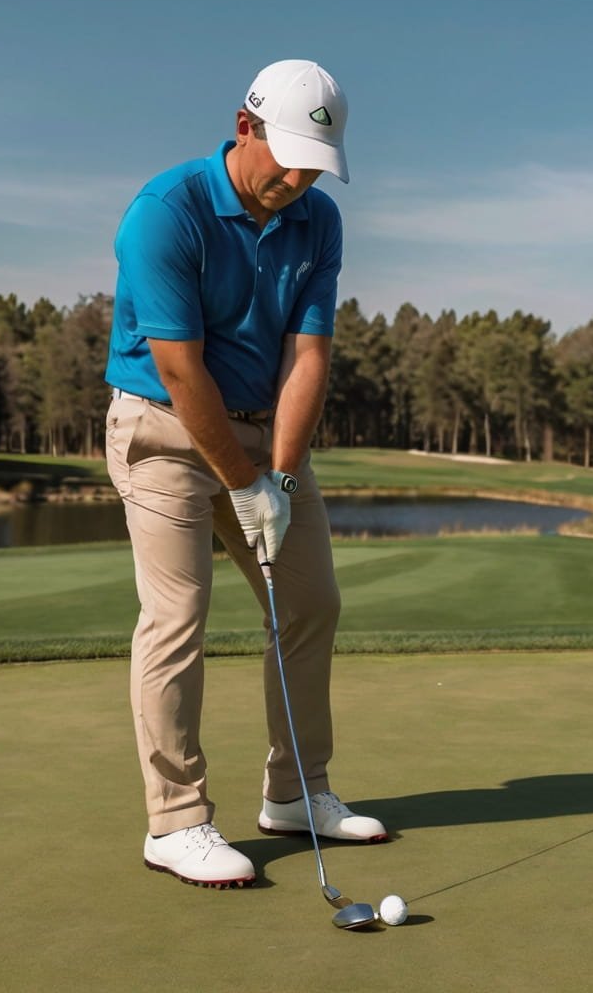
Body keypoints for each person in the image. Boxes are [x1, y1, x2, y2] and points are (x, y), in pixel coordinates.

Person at [104, 59, 387, 889]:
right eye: (288, 156)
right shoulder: (166, 213)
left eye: (315, 166)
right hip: (160, 425)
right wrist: (243, 480)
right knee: (178, 615)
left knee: (310, 601)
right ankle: (177, 821)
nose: (297, 180)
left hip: (263, 436)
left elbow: (308, 358)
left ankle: (298, 793)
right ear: (244, 125)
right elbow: (182, 370)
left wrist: (283, 479)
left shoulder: (318, 221)